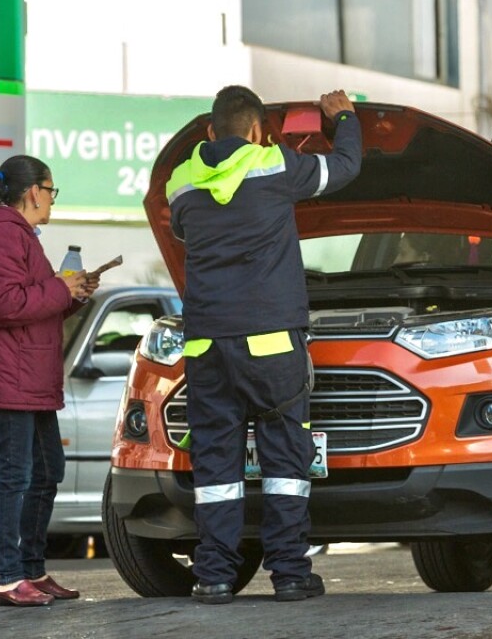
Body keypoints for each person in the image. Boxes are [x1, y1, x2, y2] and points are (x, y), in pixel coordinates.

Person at [167, 86, 362, 605]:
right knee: (284, 458)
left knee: (215, 466)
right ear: (256, 132)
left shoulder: (181, 181)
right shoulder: (274, 165)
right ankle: (290, 574)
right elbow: (343, 168)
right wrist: (343, 119)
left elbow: (184, 231)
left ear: (210, 132)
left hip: (205, 345)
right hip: (272, 344)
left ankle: (213, 576)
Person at [0, 154, 98, 607]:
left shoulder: (19, 236)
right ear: (33, 191)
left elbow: (36, 303)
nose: (53, 201)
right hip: (10, 378)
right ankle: (9, 578)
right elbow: (5, 303)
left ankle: (33, 571)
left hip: (30, 377)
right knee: (16, 476)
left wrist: (72, 293)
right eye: (51, 190)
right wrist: (60, 288)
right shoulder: (1, 233)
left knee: (47, 471)